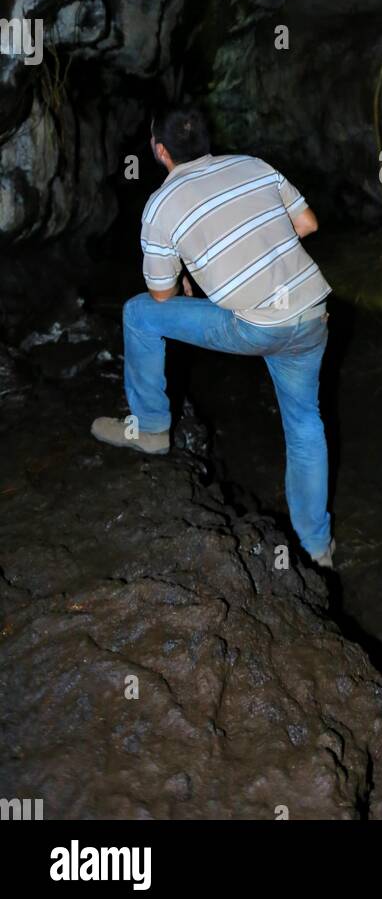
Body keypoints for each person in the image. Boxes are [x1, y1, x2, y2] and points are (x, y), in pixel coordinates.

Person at [91, 105, 336, 570]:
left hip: (255, 325)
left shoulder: (161, 205)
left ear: (160, 151)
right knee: (305, 426)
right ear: (206, 140)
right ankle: (316, 547)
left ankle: (151, 430)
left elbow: (161, 294)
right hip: (312, 313)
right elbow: (308, 224)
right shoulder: (253, 165)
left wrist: (198, 274)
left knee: (138, 314)